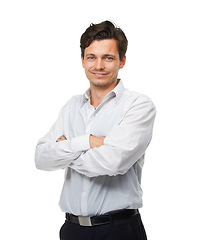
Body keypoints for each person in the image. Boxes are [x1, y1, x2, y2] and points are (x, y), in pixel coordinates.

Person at [35, 20, 156, 240]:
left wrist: (63, 151)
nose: (98, 66)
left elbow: (113, 162)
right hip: (71, 230)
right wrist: (89, 142)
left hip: (118, 229)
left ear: (122, 61)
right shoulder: (71, 106)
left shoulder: (138, 106)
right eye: (91, 57)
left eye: (108, 58)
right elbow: (41, 158)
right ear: (82, 61)